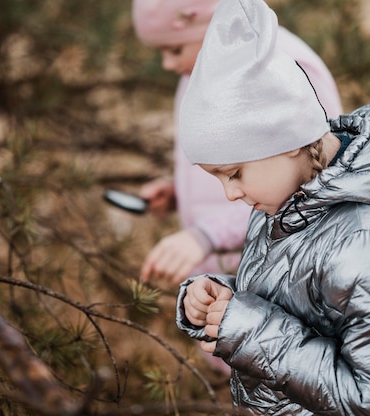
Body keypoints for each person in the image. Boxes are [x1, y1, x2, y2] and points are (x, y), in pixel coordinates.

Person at [175, 0, 370, 413]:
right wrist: (225, 299)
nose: (229, 194)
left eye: (233, 173)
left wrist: (251, 331)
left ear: (285, 143)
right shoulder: (284, 203)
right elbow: (301, 306)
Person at [131, 0, 343, 285]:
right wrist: (178, 192)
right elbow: (235, 159)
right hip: (231, 284)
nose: (167, 63)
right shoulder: (200, 73)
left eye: (175, 49)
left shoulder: (281, 69)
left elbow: (315, 178)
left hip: (279, 275)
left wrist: (210, 234)